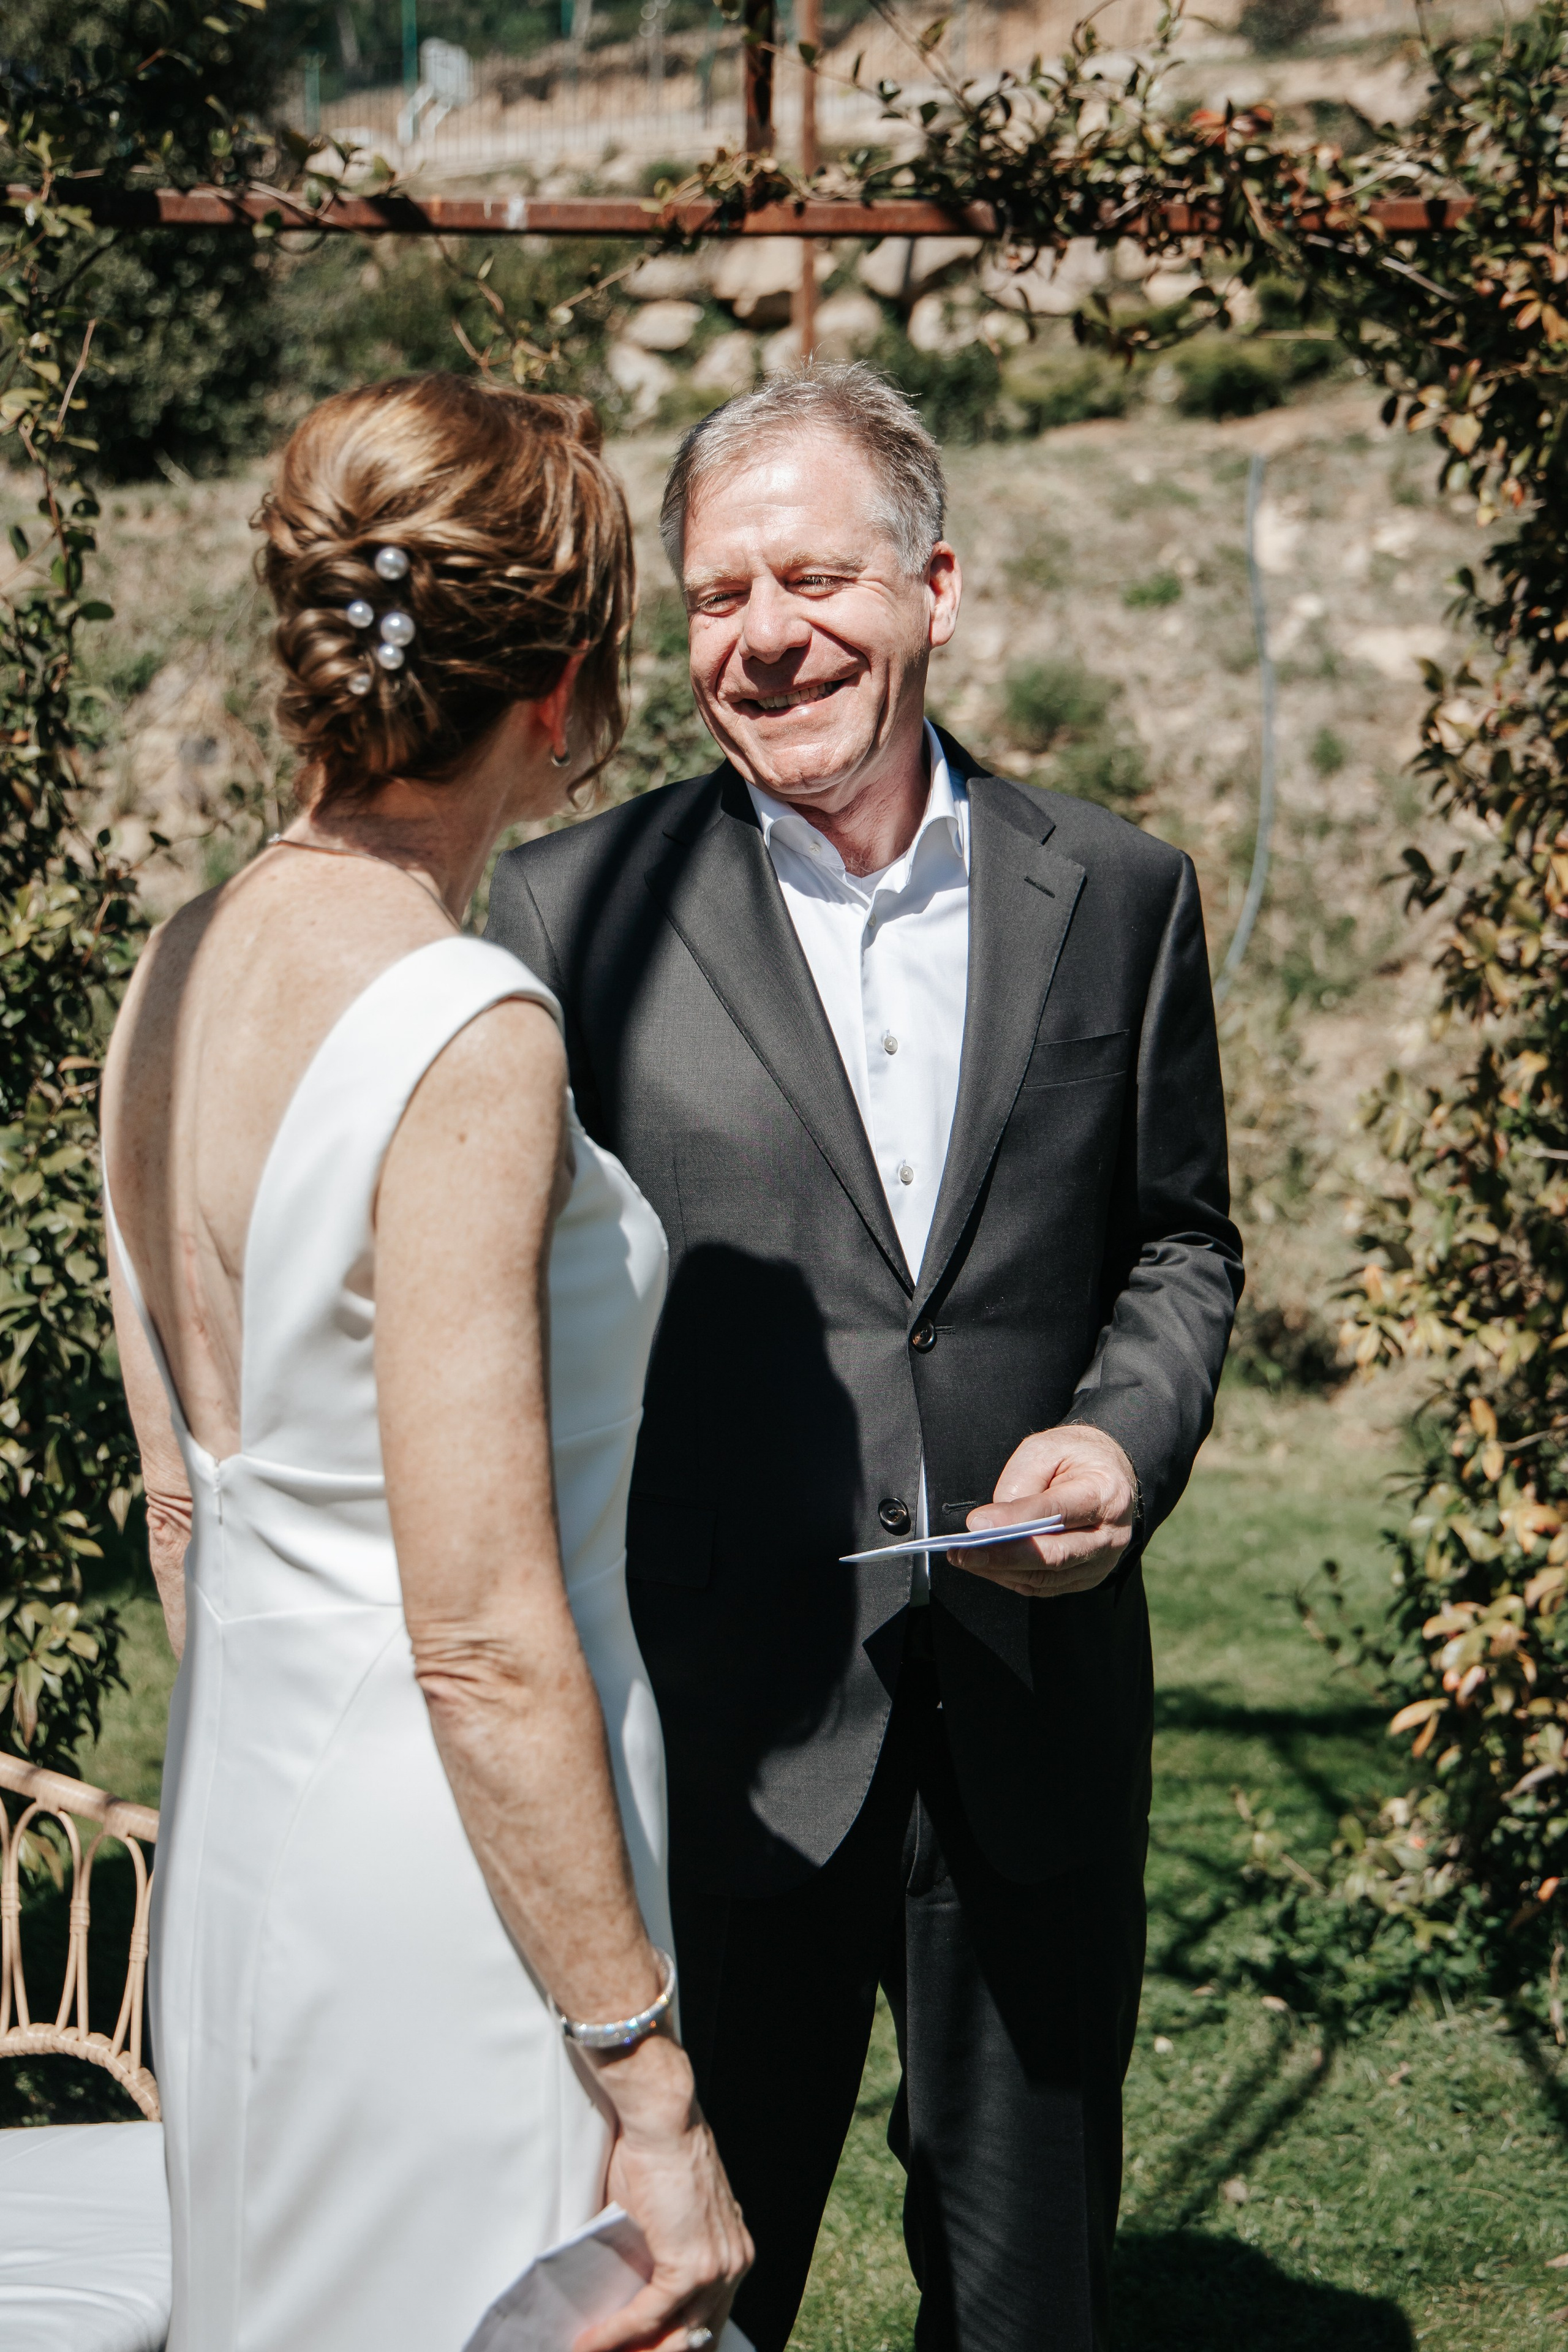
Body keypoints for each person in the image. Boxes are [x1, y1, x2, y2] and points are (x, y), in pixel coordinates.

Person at [484, 363, 1244, 2352]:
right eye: (719, 596)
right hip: (723, 1745)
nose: (765, 637)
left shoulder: (1121, 896)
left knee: (1030, 2304)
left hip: (1034, 1726)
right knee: (687, 2299)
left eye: (814, 579)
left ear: (937, 590)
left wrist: (1119, 1441)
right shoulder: (572, 913)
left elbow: (1178, 1242)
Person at [100, 374, 750, 2352]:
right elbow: (475, 1636)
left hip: (246, 1834)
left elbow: (183, 1510)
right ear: (559, 691)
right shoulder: (467, 1025)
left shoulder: (176, 965)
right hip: (457, 1892)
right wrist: (649, 2082)